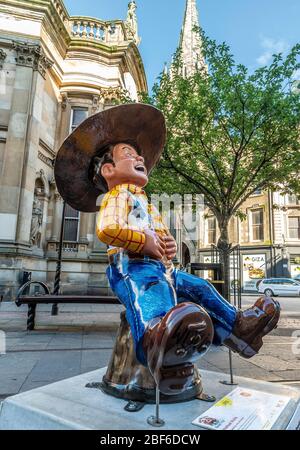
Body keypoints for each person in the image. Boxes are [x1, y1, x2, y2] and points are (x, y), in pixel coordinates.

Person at [55, 104, 280, 396]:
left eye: (139, 155)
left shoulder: (143, 201)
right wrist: (144, 242)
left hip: (162, 268)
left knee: (199, 288)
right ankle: (157, 345)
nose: (139, 157)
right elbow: (107, 230)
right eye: (128, 153)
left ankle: (240, 329)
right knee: (151, 299)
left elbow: (159, 235)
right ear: (108, 170)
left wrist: (166, 245)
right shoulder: (116, 196)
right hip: (133, 269)